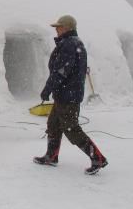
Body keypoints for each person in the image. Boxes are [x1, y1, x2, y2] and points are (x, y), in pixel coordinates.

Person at [33, 15, 109, 175]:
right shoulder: (72, 43)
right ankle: (51, 156)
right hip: (65, 93)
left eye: (59, 27)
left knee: (71, 128)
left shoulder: (69, 44)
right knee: (53, 125)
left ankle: (98, 158)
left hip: (68, 95)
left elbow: (60, 71)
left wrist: (48, 88)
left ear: (67, 28)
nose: (56, 29)